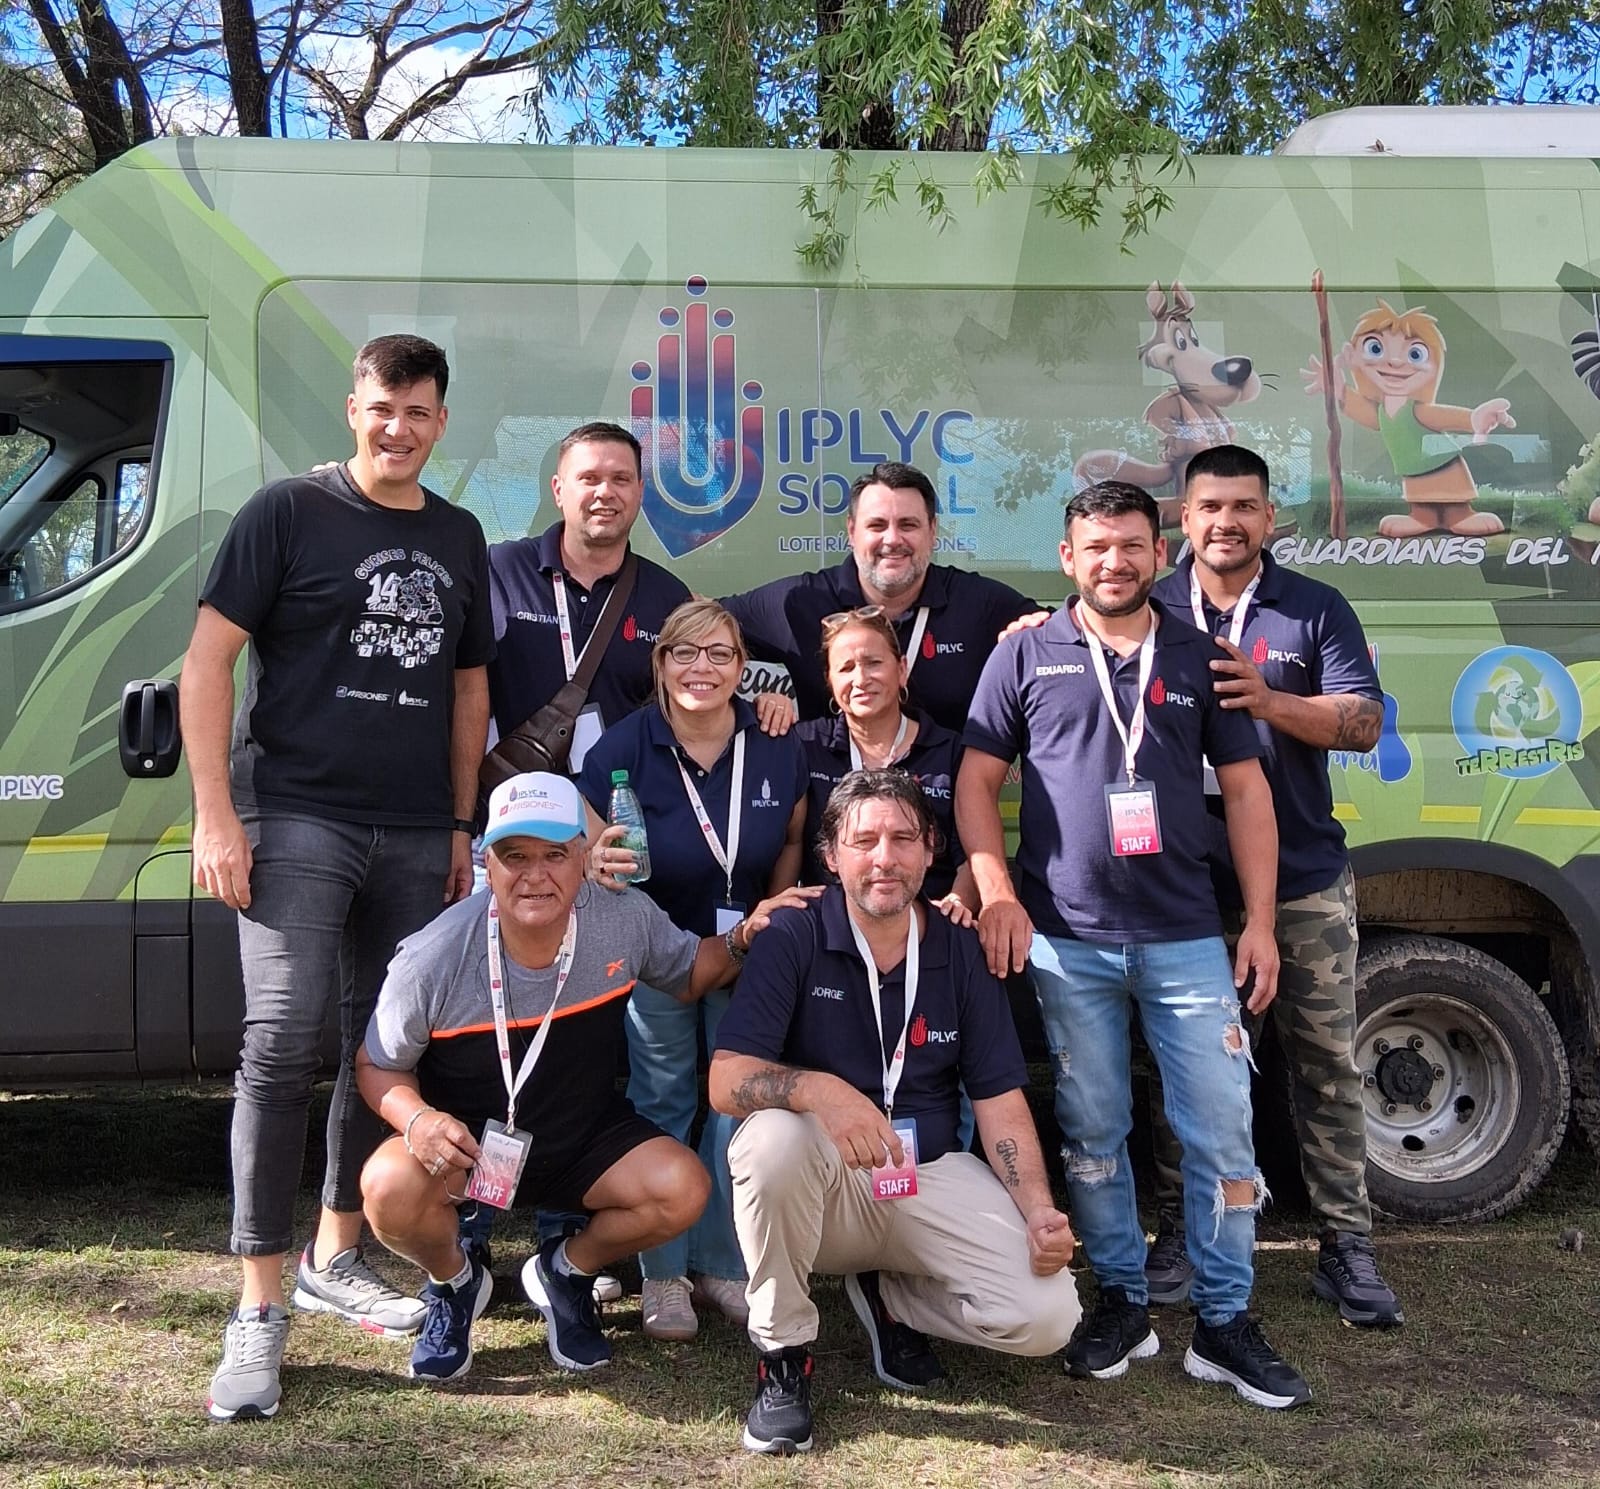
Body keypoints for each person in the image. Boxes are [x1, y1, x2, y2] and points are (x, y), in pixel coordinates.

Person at [179, 334, 494, 1422]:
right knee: (280, 1041)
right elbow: (207, 659)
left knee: (382, 1047)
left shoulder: (458, 535)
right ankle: (259, 1309)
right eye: (380, 407)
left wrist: (459, 823)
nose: (397, 427)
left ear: (441, 422)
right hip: (296, 817)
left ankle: (336, 1255)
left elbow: (466, 693)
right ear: (352, 407)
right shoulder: (286, 512)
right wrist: (216, 812)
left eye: (417, 411)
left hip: (415, 829)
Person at [956, 480, 1313, 1411]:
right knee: (1092, 1132)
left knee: (1223, 1131)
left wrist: (1262, 922)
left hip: (1189, 938)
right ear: (1066, 557)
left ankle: (1226, 1322)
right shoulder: (1025, 655)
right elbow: (976, 781)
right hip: (1066, 941)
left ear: (1160, 553)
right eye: (1094, 547)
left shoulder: (1202, 656)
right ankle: (1119, 1300)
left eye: (1130, 545)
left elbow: (1246, 794)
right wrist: (996, 889)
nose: (1113, 561)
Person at [354, 772, 817, 1382]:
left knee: (682, 1187)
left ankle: (565, 1271)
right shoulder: (434, 954)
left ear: (583, 856)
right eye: (514, 856)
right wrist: (418, 1120)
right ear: (485, 863)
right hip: (468, 1151)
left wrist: (742, 936)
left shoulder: (620, 915)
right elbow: (376, 1064)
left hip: (581, 1142)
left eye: (554, 855)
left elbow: (689, 973)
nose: (535, 875)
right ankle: (454, 1281)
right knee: (387, 1186)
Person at [709, 770, 1081, 1456]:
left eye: (904, 837)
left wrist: (1036, 1210)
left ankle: (891, 1296)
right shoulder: (794, 933)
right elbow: (726, 1079)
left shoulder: (957, 945)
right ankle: (784, 1357)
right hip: (823, 1189)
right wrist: (821, 1092)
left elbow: (999, 1101)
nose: (885, 856)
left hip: (924, 1174)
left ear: (931, 848)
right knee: (769, 1142)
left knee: (1049, 1316)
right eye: (866, 839)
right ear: (831, 854)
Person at [1140, 442, 1402, 1326]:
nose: (1226, 522)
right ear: (1185, 516)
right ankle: (1180, 1227)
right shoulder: (1146, 603)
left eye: (1244, 507)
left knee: (1324, 1063)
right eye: (1210, 506)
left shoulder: (1313, 607)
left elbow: (1362, 722)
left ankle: (1345, 1245)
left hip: (1302, 881)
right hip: (1178, 886)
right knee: (1180, 1069)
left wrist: (1267, 701)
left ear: (1269, 517)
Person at [578, 599, 808, 1343]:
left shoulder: (776, 742)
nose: (700, 668)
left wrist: (771, 922)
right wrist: (596, 859)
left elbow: (792, 843)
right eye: (684, 653)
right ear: (660, 663)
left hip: (750, 950)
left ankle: (720, 1262)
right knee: (664, 1095)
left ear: (743, 669)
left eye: (718, 654)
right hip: (660, 953)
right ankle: (663, 1273)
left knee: (736, 1100)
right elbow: (590, 850)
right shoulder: (625, 745)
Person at [721, 462, 1038, 730]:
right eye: (877, 525)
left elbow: (1071, 635)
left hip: (946, 799)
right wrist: (746, 707)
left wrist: (1037, 638)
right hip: (831, 800)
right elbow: (692, 629)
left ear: (932, 530)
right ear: (851, 531)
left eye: (908, 525)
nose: (892, 539)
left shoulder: (978, 604)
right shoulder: (800, 600)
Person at [486, 421, 691, 771]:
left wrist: (765, 704)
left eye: (621, 479)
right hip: (515, 804)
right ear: (558, 490)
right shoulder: (501, 569)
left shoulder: (669, 597)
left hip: (623, 806)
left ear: (639, 491)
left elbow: (692, 705)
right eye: (589, 478)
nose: (605, 492)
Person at [794, 606, 974, 909]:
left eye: (873, 663)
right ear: (829, 680)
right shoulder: (804, 744)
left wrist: (958, 905)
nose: (861, 678)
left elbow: (972, 854)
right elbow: (787, 845)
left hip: (925, 930)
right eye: (846, 668)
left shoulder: (949, 750)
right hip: (827, 936)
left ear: (901, 669)